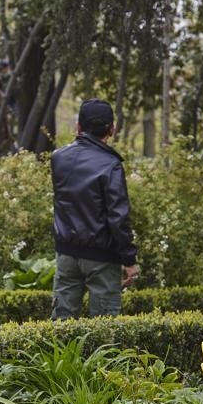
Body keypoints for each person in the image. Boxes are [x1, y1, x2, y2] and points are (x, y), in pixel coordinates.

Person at [51, 99, 139, 318]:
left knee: (61, 325)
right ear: (112, 129)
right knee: (104, 329)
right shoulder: (110, 165)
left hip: (66, 255)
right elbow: (118, 218)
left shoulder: (58, 158)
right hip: (102, 257)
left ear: (78, 127)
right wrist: (129, 260)